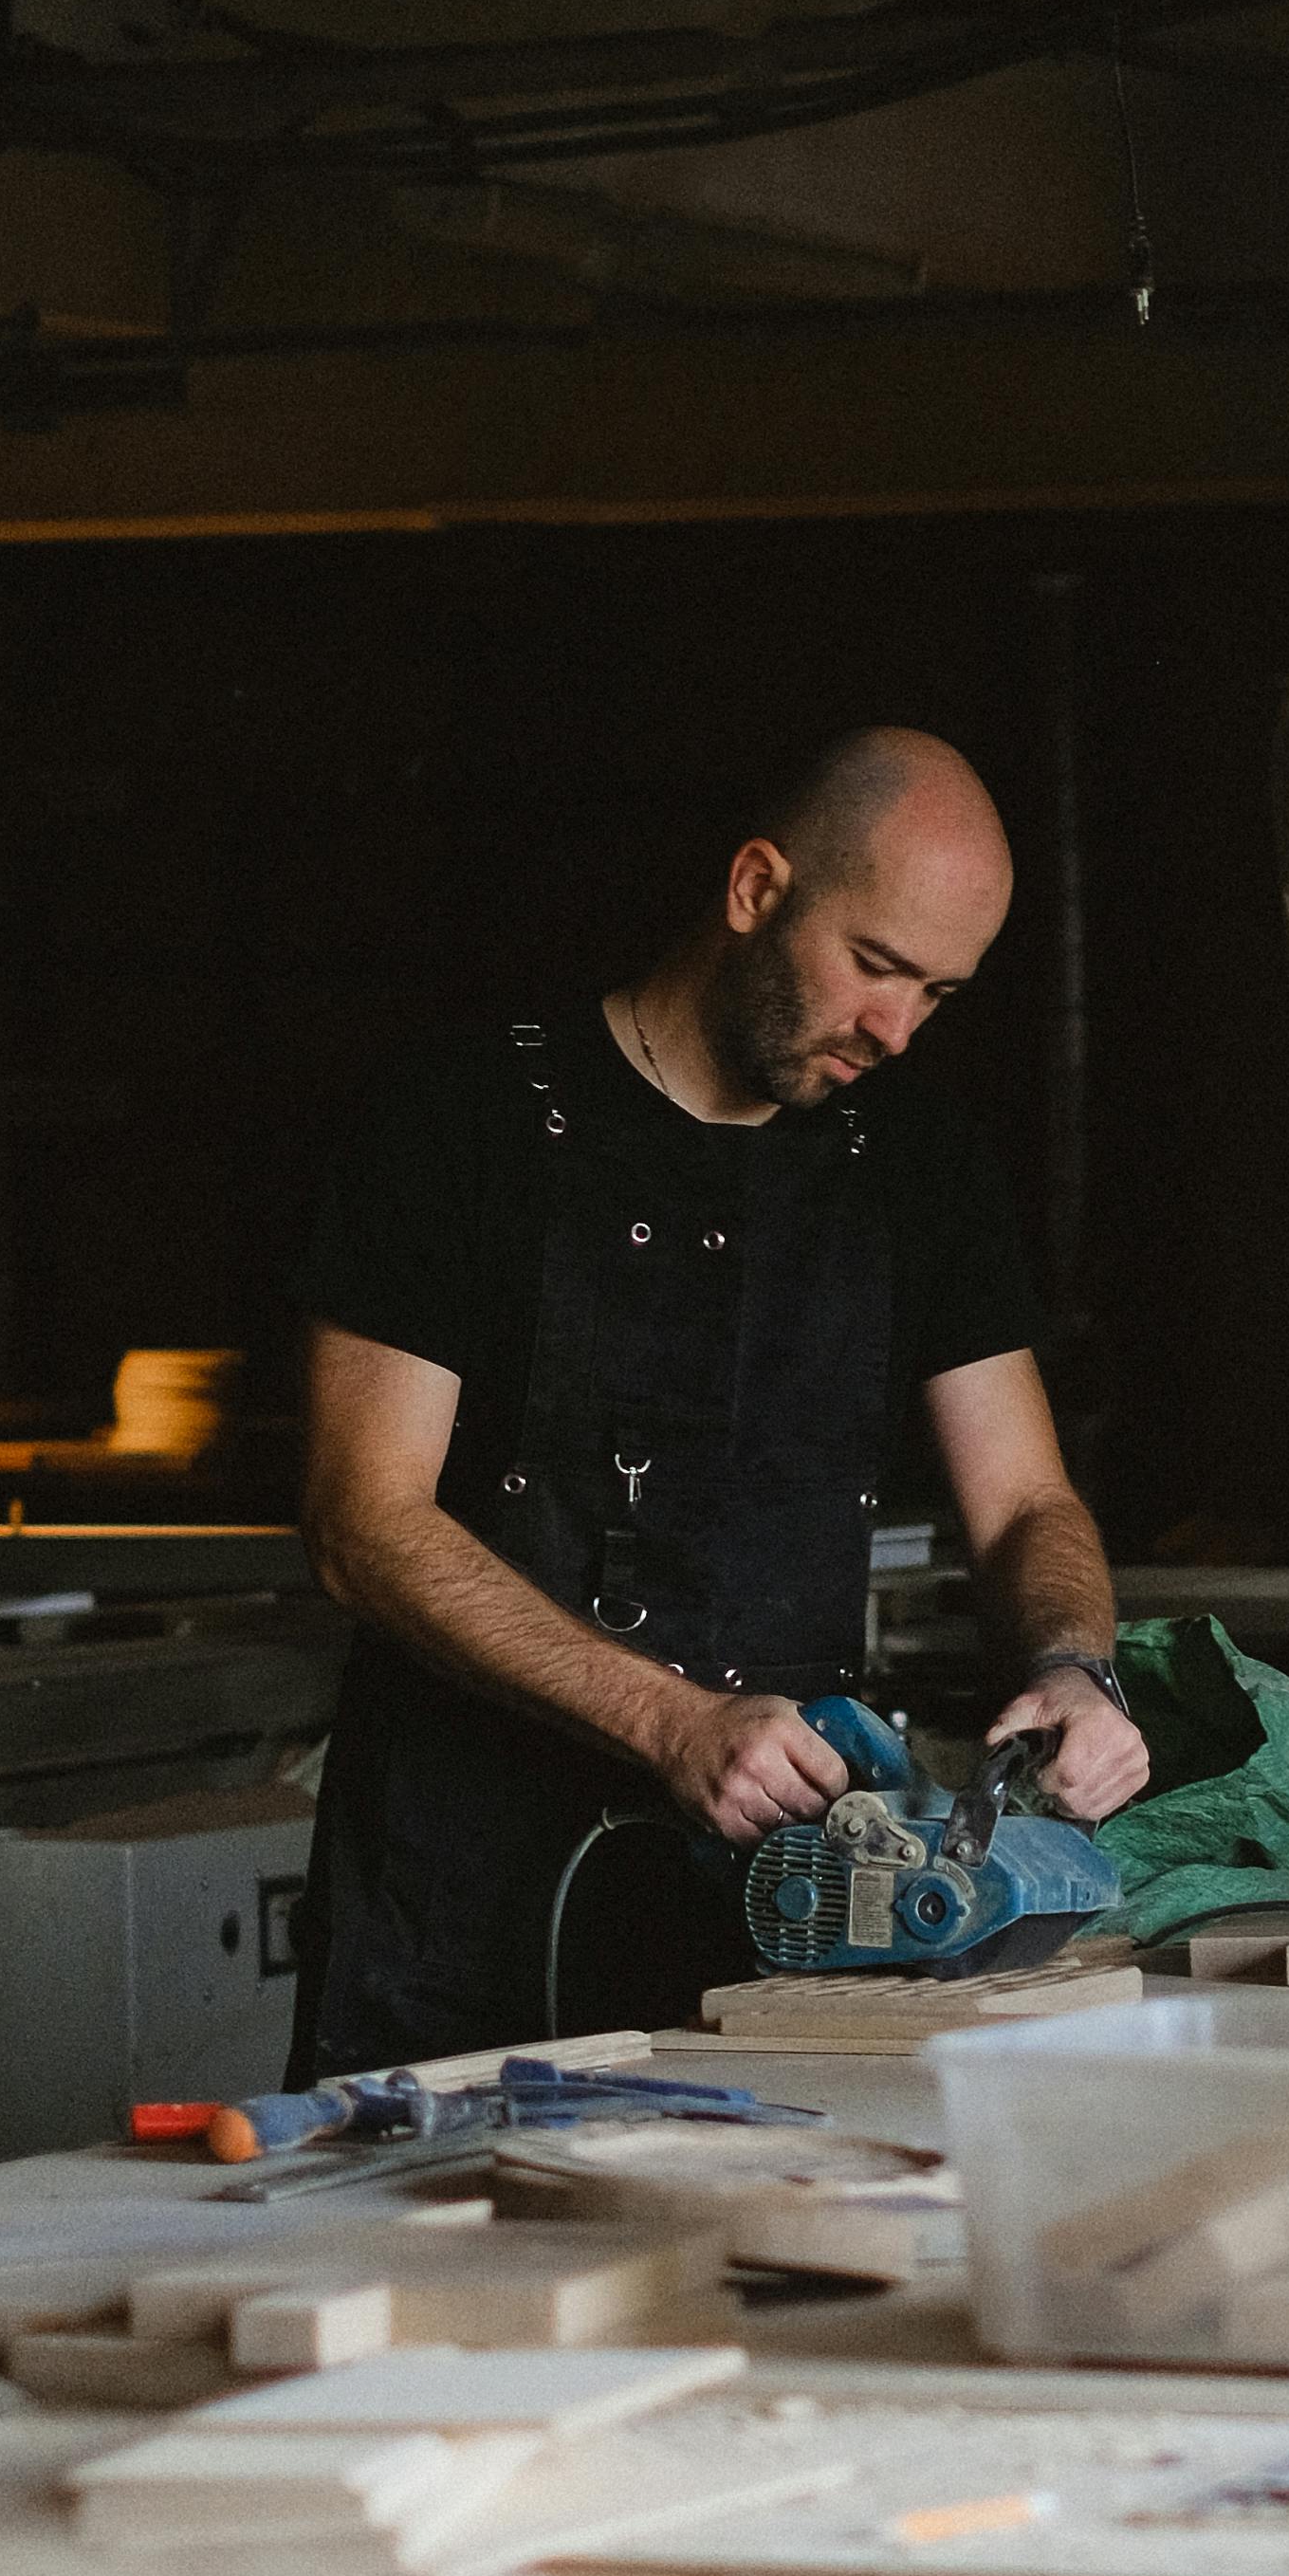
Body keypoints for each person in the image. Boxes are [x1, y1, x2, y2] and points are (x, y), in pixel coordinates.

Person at [287, 726, 1151, 2070]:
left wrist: (1070, 1664)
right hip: (452, 1914)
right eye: (874, 966)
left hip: (783, 1916)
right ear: (756, 888)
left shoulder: (919, 1162)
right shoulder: (459, 1119)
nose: (897, 1031)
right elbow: (362, 1522)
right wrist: (670, 1720)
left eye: (939, 993)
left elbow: (1028, 1497)